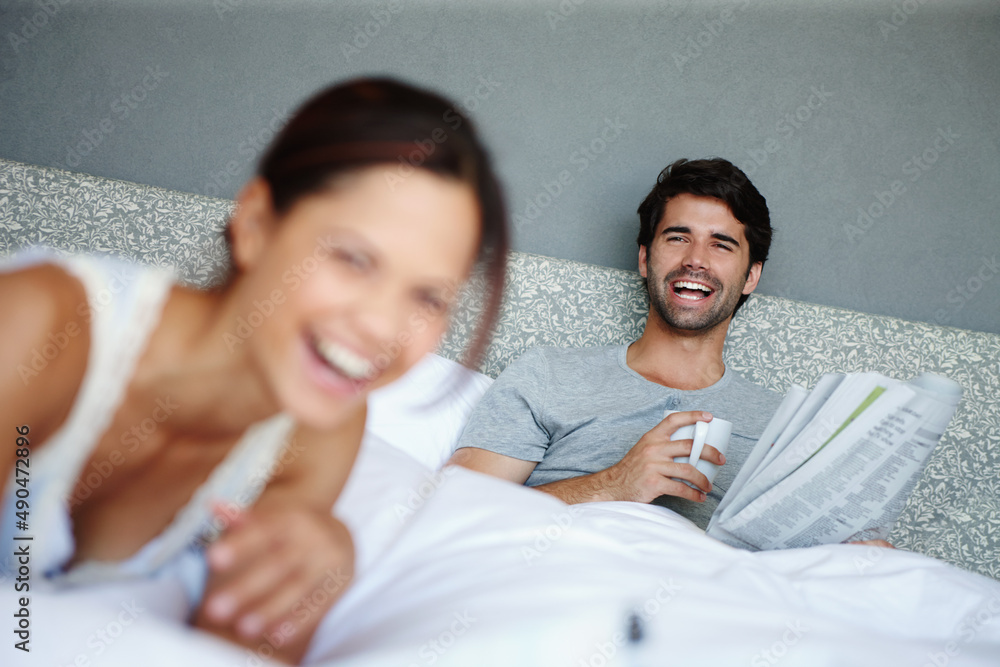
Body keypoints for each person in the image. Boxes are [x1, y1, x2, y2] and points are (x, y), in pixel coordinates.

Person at [0, 77, 508, 663]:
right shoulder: (39, 328)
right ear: (256, 225)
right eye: (353, 258)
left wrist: (307, 580)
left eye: (429, 298)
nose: (380, 326)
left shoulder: (323, 431)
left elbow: (237, 648)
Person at [449, 157, 782, 530]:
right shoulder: (548, 375)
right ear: (644, 258)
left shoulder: (782, 425)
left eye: (721, 245)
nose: (695, 260)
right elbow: (455, 513)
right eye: (678, 238)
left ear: (751, 276)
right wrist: (614, 483)